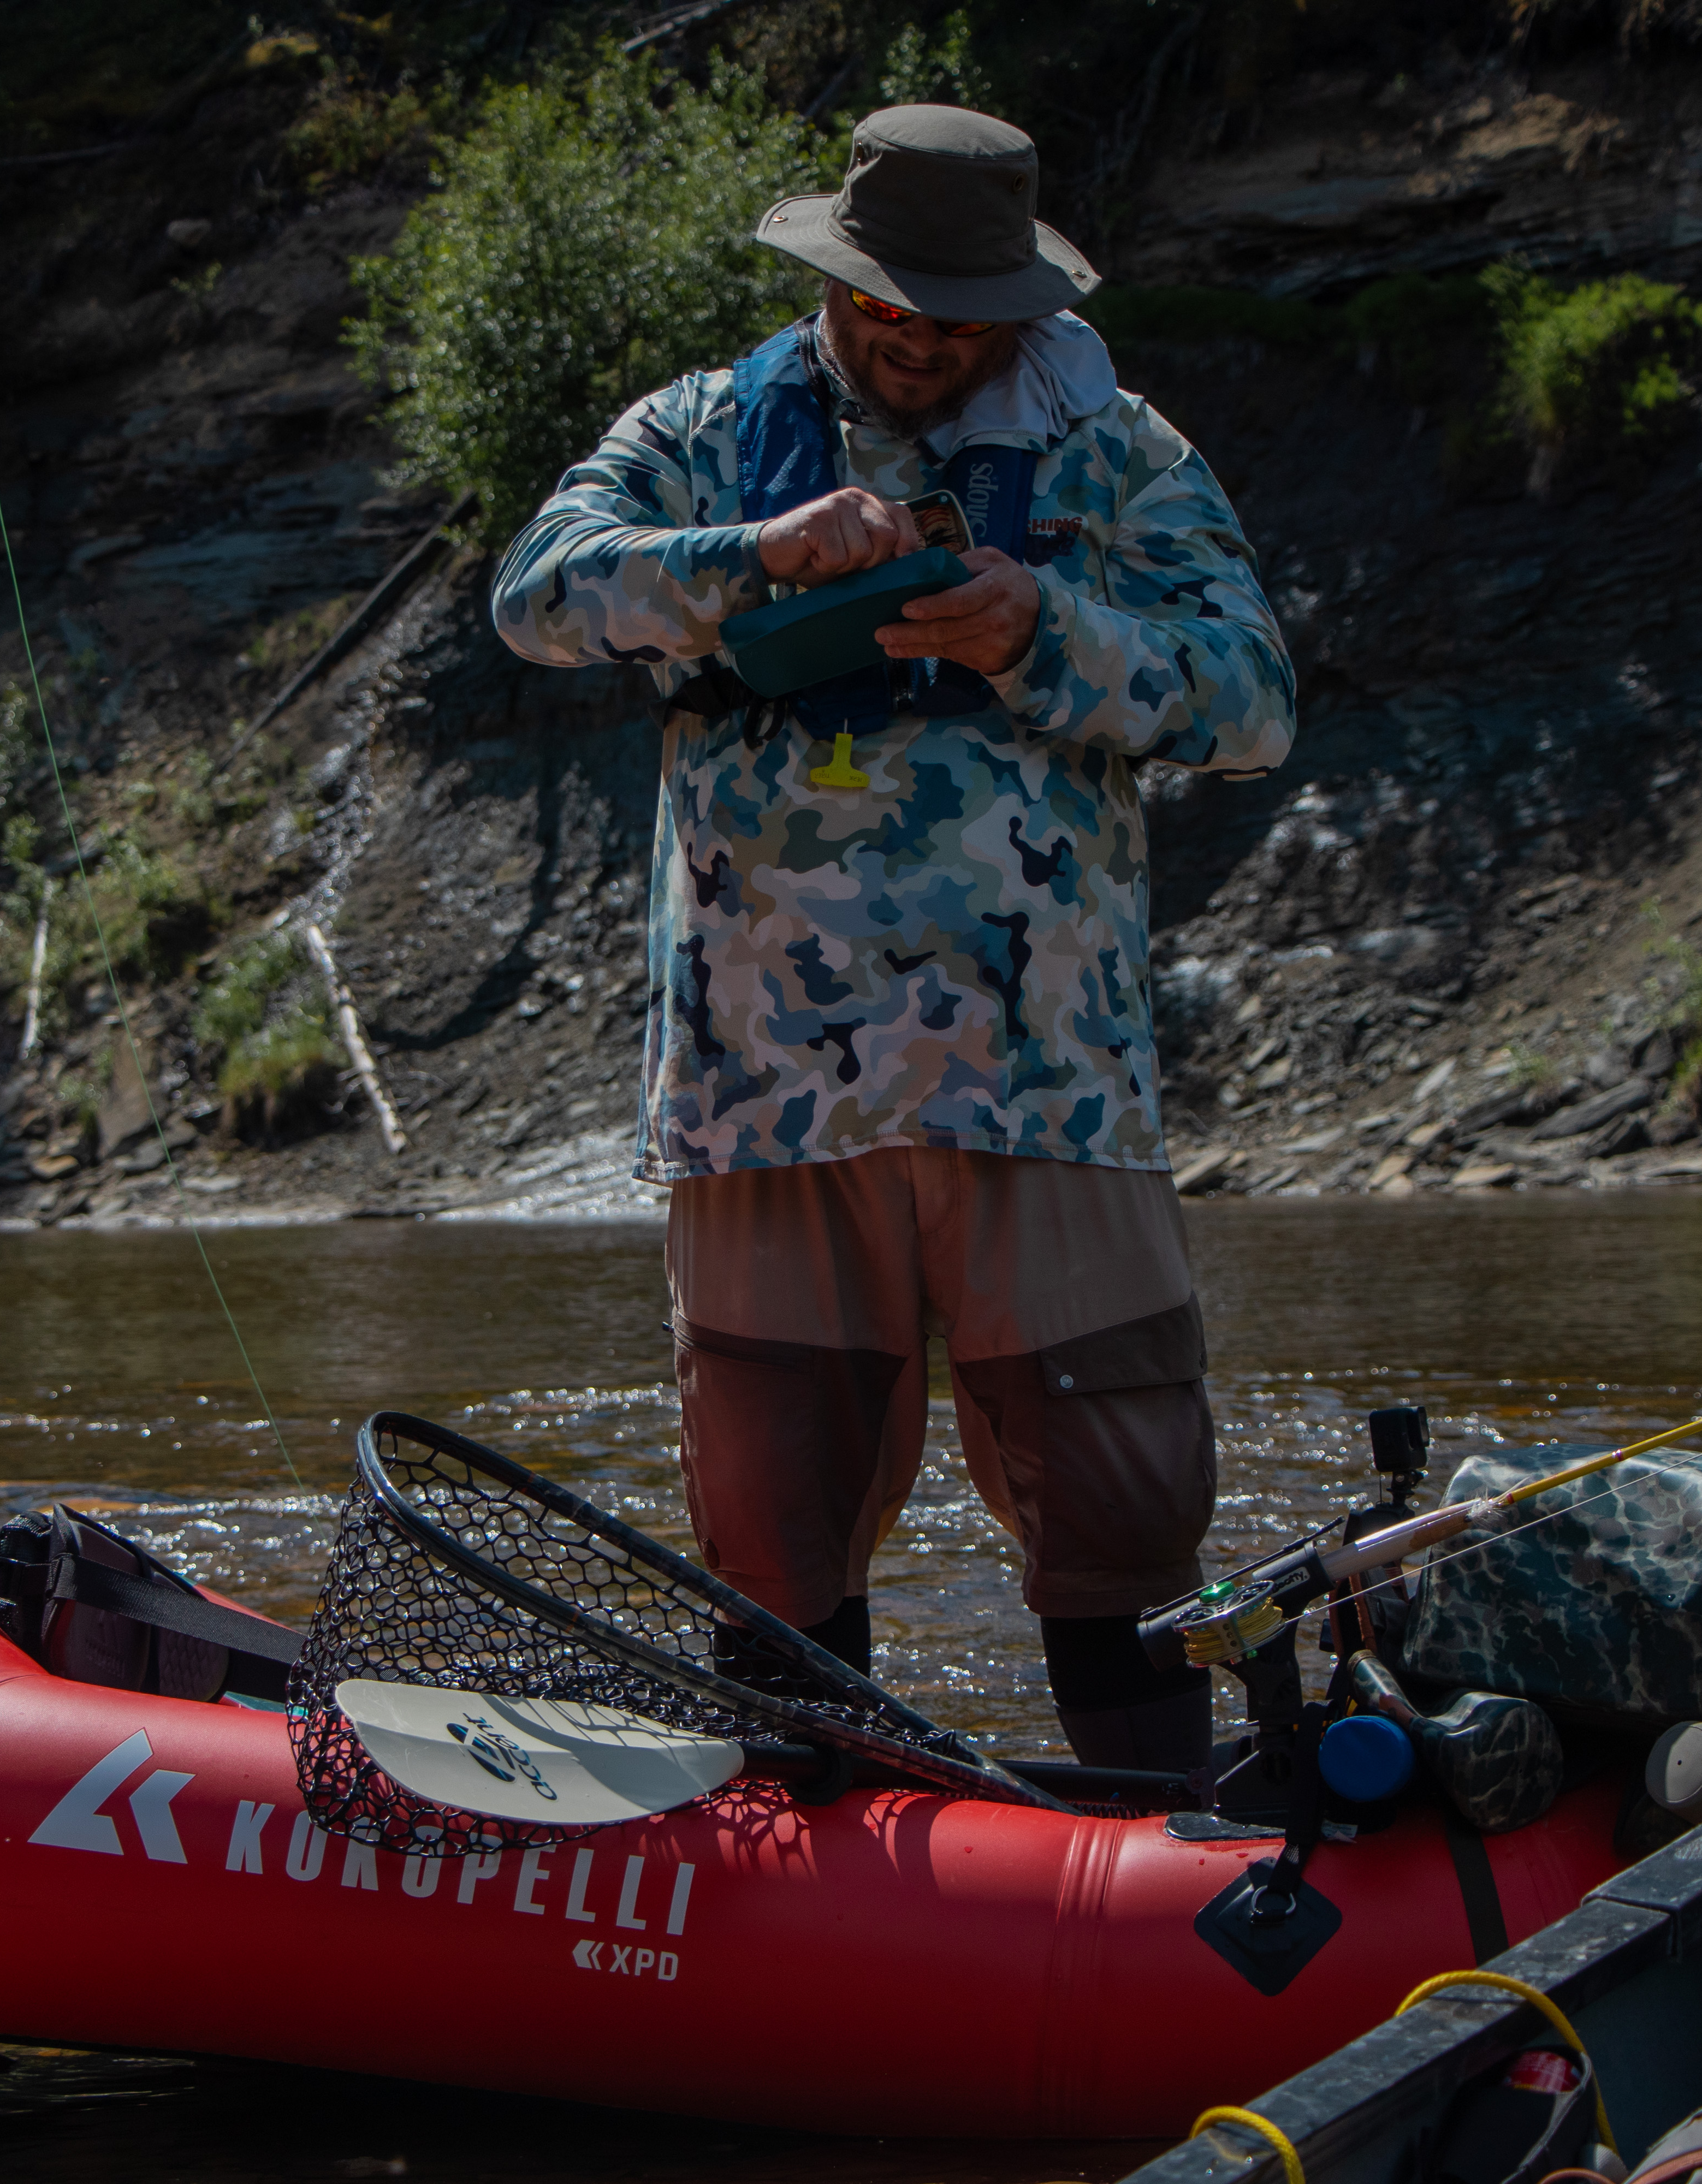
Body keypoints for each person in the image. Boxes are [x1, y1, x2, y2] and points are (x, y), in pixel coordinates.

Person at [489, 104, 1296, 1772]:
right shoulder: (704, 430)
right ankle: (812, 1864)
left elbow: (1254, 703)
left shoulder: (1116, 451)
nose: (924, 342)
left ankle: (1167, 1838)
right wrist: (750, 557)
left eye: (962, 318)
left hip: (1046, 1074)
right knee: (774, 1518)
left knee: (1122, 1494)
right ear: (836, 284)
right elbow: (538, 595)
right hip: (765, 1079)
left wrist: (1048, 628)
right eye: (893, 309)